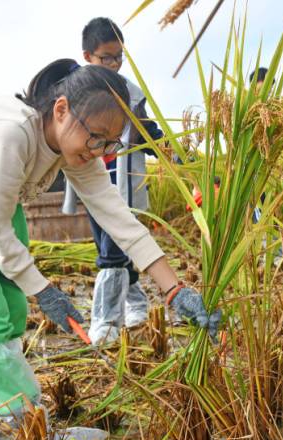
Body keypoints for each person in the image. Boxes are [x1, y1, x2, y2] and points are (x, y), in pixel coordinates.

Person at [0, 59, 219, 440]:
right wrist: (46, 290)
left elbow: (121, 220)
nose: (101, 150)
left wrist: (175, 291)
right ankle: (22, 433)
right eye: (97, 138)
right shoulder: (10, 136)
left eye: (110, 143)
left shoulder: (79, 150)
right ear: (61, 110)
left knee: (10, 304)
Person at [62, 17, 165, 343]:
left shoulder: (130, 93)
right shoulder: (76, 91)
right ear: (87, 56)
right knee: (113, 245)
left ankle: (106, 324)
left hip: (123, 181)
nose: (115, 63)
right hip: (91, 178)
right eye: (107, 57)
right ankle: (136, 303)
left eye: (119, 56)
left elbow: (148, 131)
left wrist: (167, 150)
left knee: (113, 249)